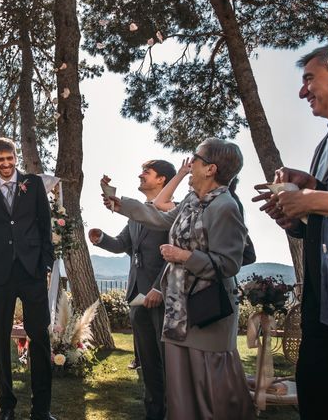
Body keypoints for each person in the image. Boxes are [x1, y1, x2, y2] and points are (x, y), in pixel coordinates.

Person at [107, 138, 255, 420]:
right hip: (179, 310)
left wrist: (183, 256)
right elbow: (162, 219)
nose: (191, 163)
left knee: (208, 388)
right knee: (182, 389)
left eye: (195, 159)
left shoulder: (226, 206)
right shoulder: (191, 200)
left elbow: (229, 264)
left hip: (207, 312)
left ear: (210, 169)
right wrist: (121, 204)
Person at [253, 44, 328, 417]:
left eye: (309, 79)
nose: (302, 92)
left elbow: (322, 202)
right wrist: (298, 216)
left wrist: (310, 199)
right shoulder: (324, 144)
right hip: (323, 304)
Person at [89, 159, 177, 420]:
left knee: (168, 362)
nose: (140, 176)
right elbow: (122, 245)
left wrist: (159, 288)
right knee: (148, 363)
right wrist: (101, 238)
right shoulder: (136, 215)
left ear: (162, 179)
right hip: (136, 297)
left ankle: (176, 411)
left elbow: (174, 255)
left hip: (162, 296)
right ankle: (153, 413)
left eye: (146, 173)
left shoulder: (174, 211)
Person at [0, 137, 55, 420]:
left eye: (9, 159)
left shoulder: (33, 185)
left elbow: (45, 225)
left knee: (39, 336)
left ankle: (42, 409)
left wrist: (46, 263)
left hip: (32, 271)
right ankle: (6, 406)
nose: (6, 164)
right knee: (0, 340)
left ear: (16, 157)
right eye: (0, 160)